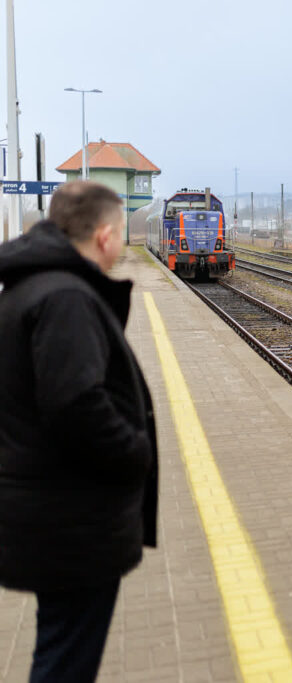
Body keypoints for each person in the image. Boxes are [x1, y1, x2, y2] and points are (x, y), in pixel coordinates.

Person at [0, 181, 158, 682]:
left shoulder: (29, 285)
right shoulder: (66, 297)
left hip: (49, 514)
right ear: (106, 235)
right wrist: (136, 452)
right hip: (70, 522)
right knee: (65, 663)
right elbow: (75, 406)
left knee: (60, 648)